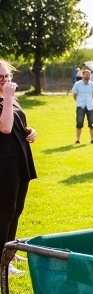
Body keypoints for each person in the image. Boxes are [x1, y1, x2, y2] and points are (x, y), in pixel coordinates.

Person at [0, 60, 37, 276]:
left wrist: (30, 131)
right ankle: (2, 263)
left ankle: (9, 252)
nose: (5, 81)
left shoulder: (10, 99)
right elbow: (4, 127)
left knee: (16, 210)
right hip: (4, 165)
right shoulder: (6, 98)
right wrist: (7, 96)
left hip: (20, 160)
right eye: (1, 78)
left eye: (7, 76)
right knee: (4, 213)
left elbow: (15, 124)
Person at [71, 68, 93, 144]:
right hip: (80, 106)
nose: (88, 76)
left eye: (89, 75)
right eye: (86, 75)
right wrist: (79, 101)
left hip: (90, 107)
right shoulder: (77, 84)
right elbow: (74, 95)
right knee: (79, 123)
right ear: (83, 75)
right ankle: (78, 139)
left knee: (92, 124)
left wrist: (89, 101)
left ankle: (92, 139)